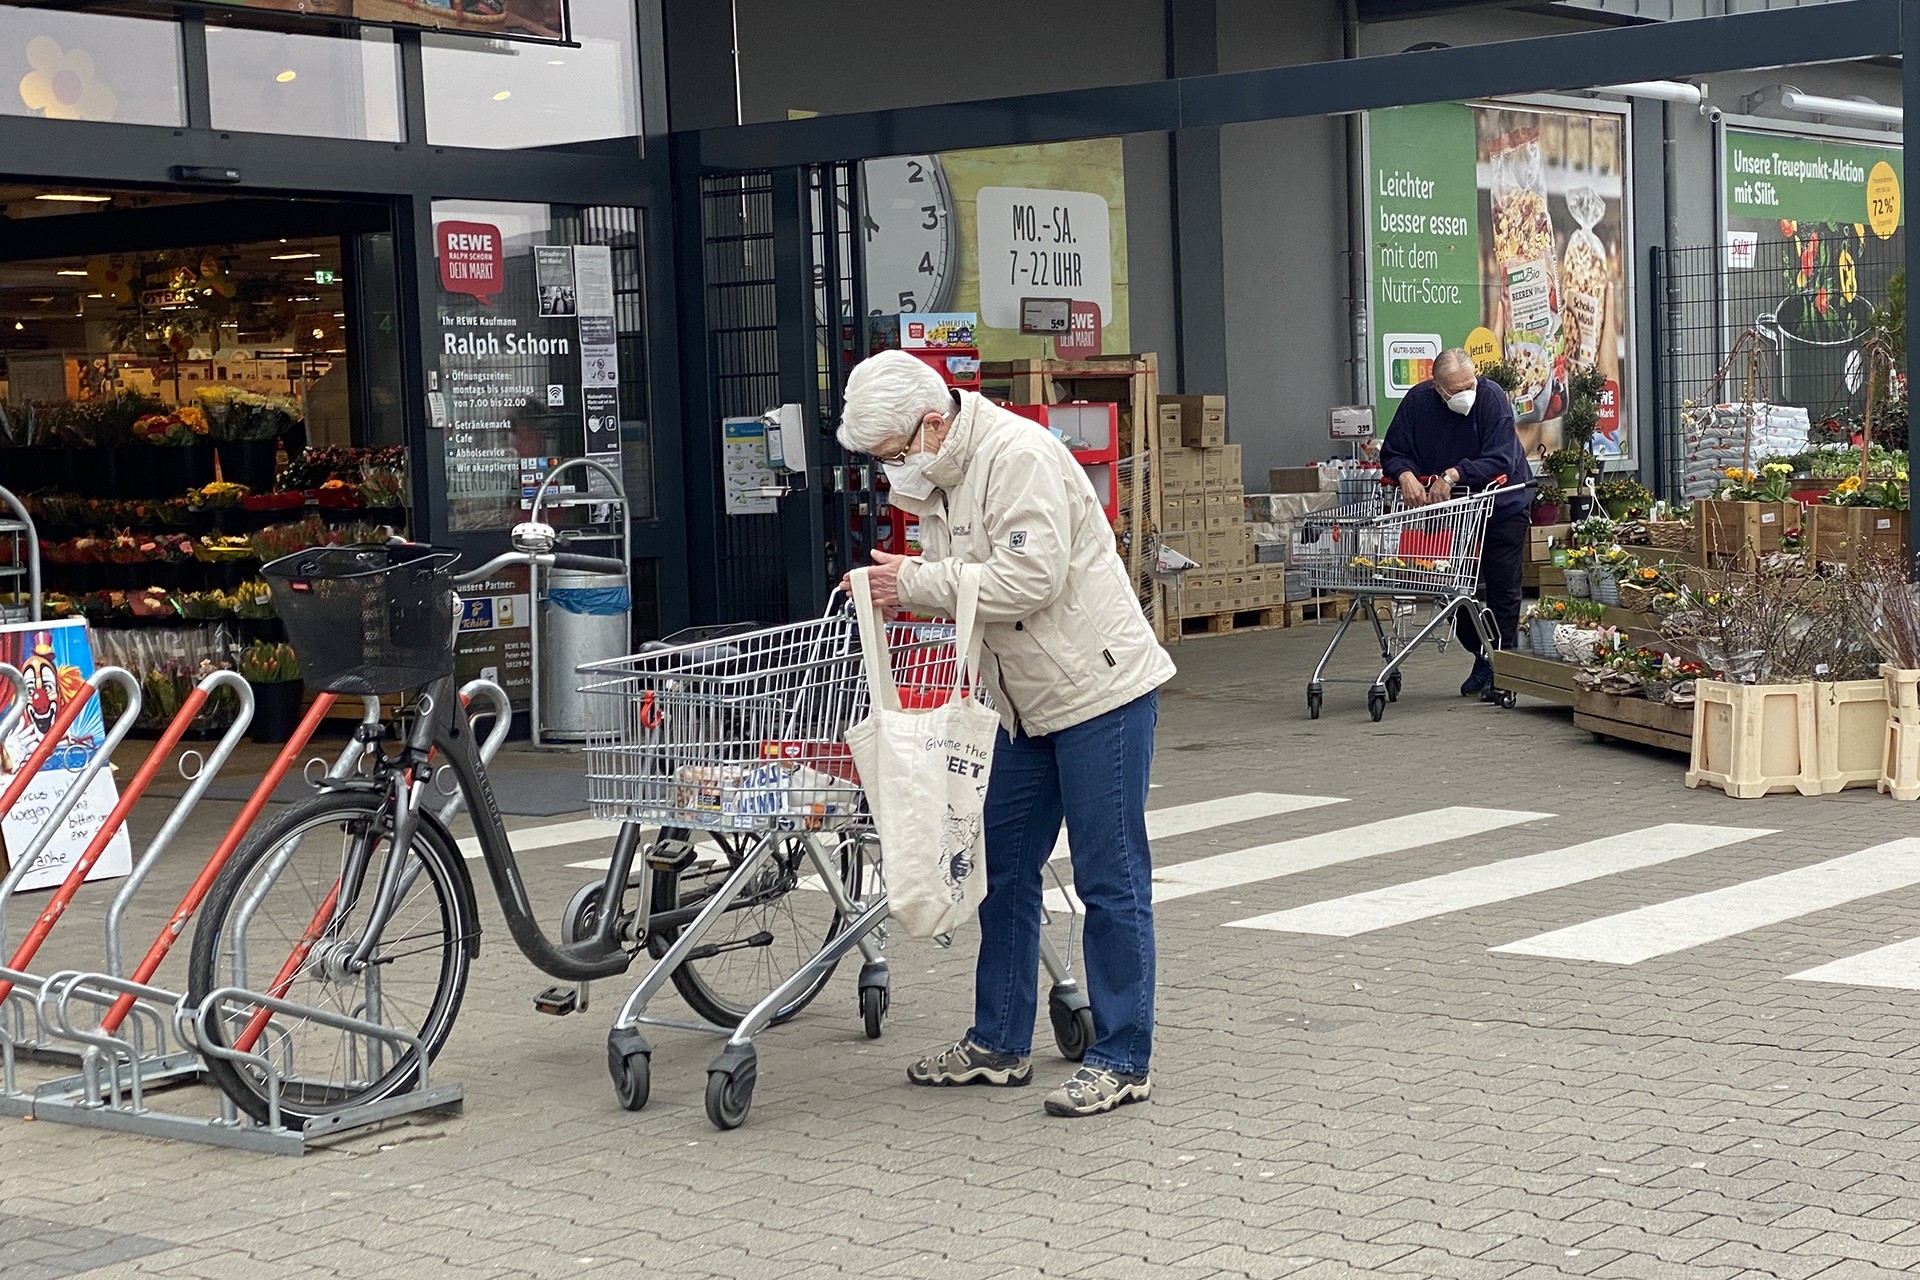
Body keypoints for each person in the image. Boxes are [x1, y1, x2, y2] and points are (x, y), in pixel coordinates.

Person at [836, 349, 1174, 1118]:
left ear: (930, 424)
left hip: (1099, 692)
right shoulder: (944, 474)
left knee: (1108, 879)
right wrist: (914, 584)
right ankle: (998, 1041)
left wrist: (913, 584)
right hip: (1022, 703)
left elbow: (1029, 579)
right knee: (1001, 870)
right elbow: (963, 580)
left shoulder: (1016, 454)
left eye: (893, 455)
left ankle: (1124, 1057)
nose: (894, 472)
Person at [1378, 347, 1532, 700]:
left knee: (1502, 587)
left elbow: (1500, 457)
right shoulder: (1417, 404)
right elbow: (1394, 451)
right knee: (1451, 587)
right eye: (1456, 389)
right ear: (1437, 387)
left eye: (1470, 384)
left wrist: (1453, 473)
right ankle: (1482, 652)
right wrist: (1404, 475)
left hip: (1500, 503)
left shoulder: (1491, 398)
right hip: (1450, 512)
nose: (1466, 394)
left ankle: (1501, 664)